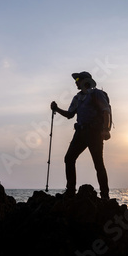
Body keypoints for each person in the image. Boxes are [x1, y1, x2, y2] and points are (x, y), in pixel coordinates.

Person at [50, 71, 112, 200]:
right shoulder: (77, 98)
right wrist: (56, 109)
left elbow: (106, 111)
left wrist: (106, 129)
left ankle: (105, 194)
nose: (76, 82)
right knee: (69, 158)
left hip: (94, 133)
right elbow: (70, 115)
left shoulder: (97, 94)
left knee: (98, 163)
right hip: (80, 133)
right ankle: (70, 191)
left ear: (85, 80)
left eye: (77, 79)